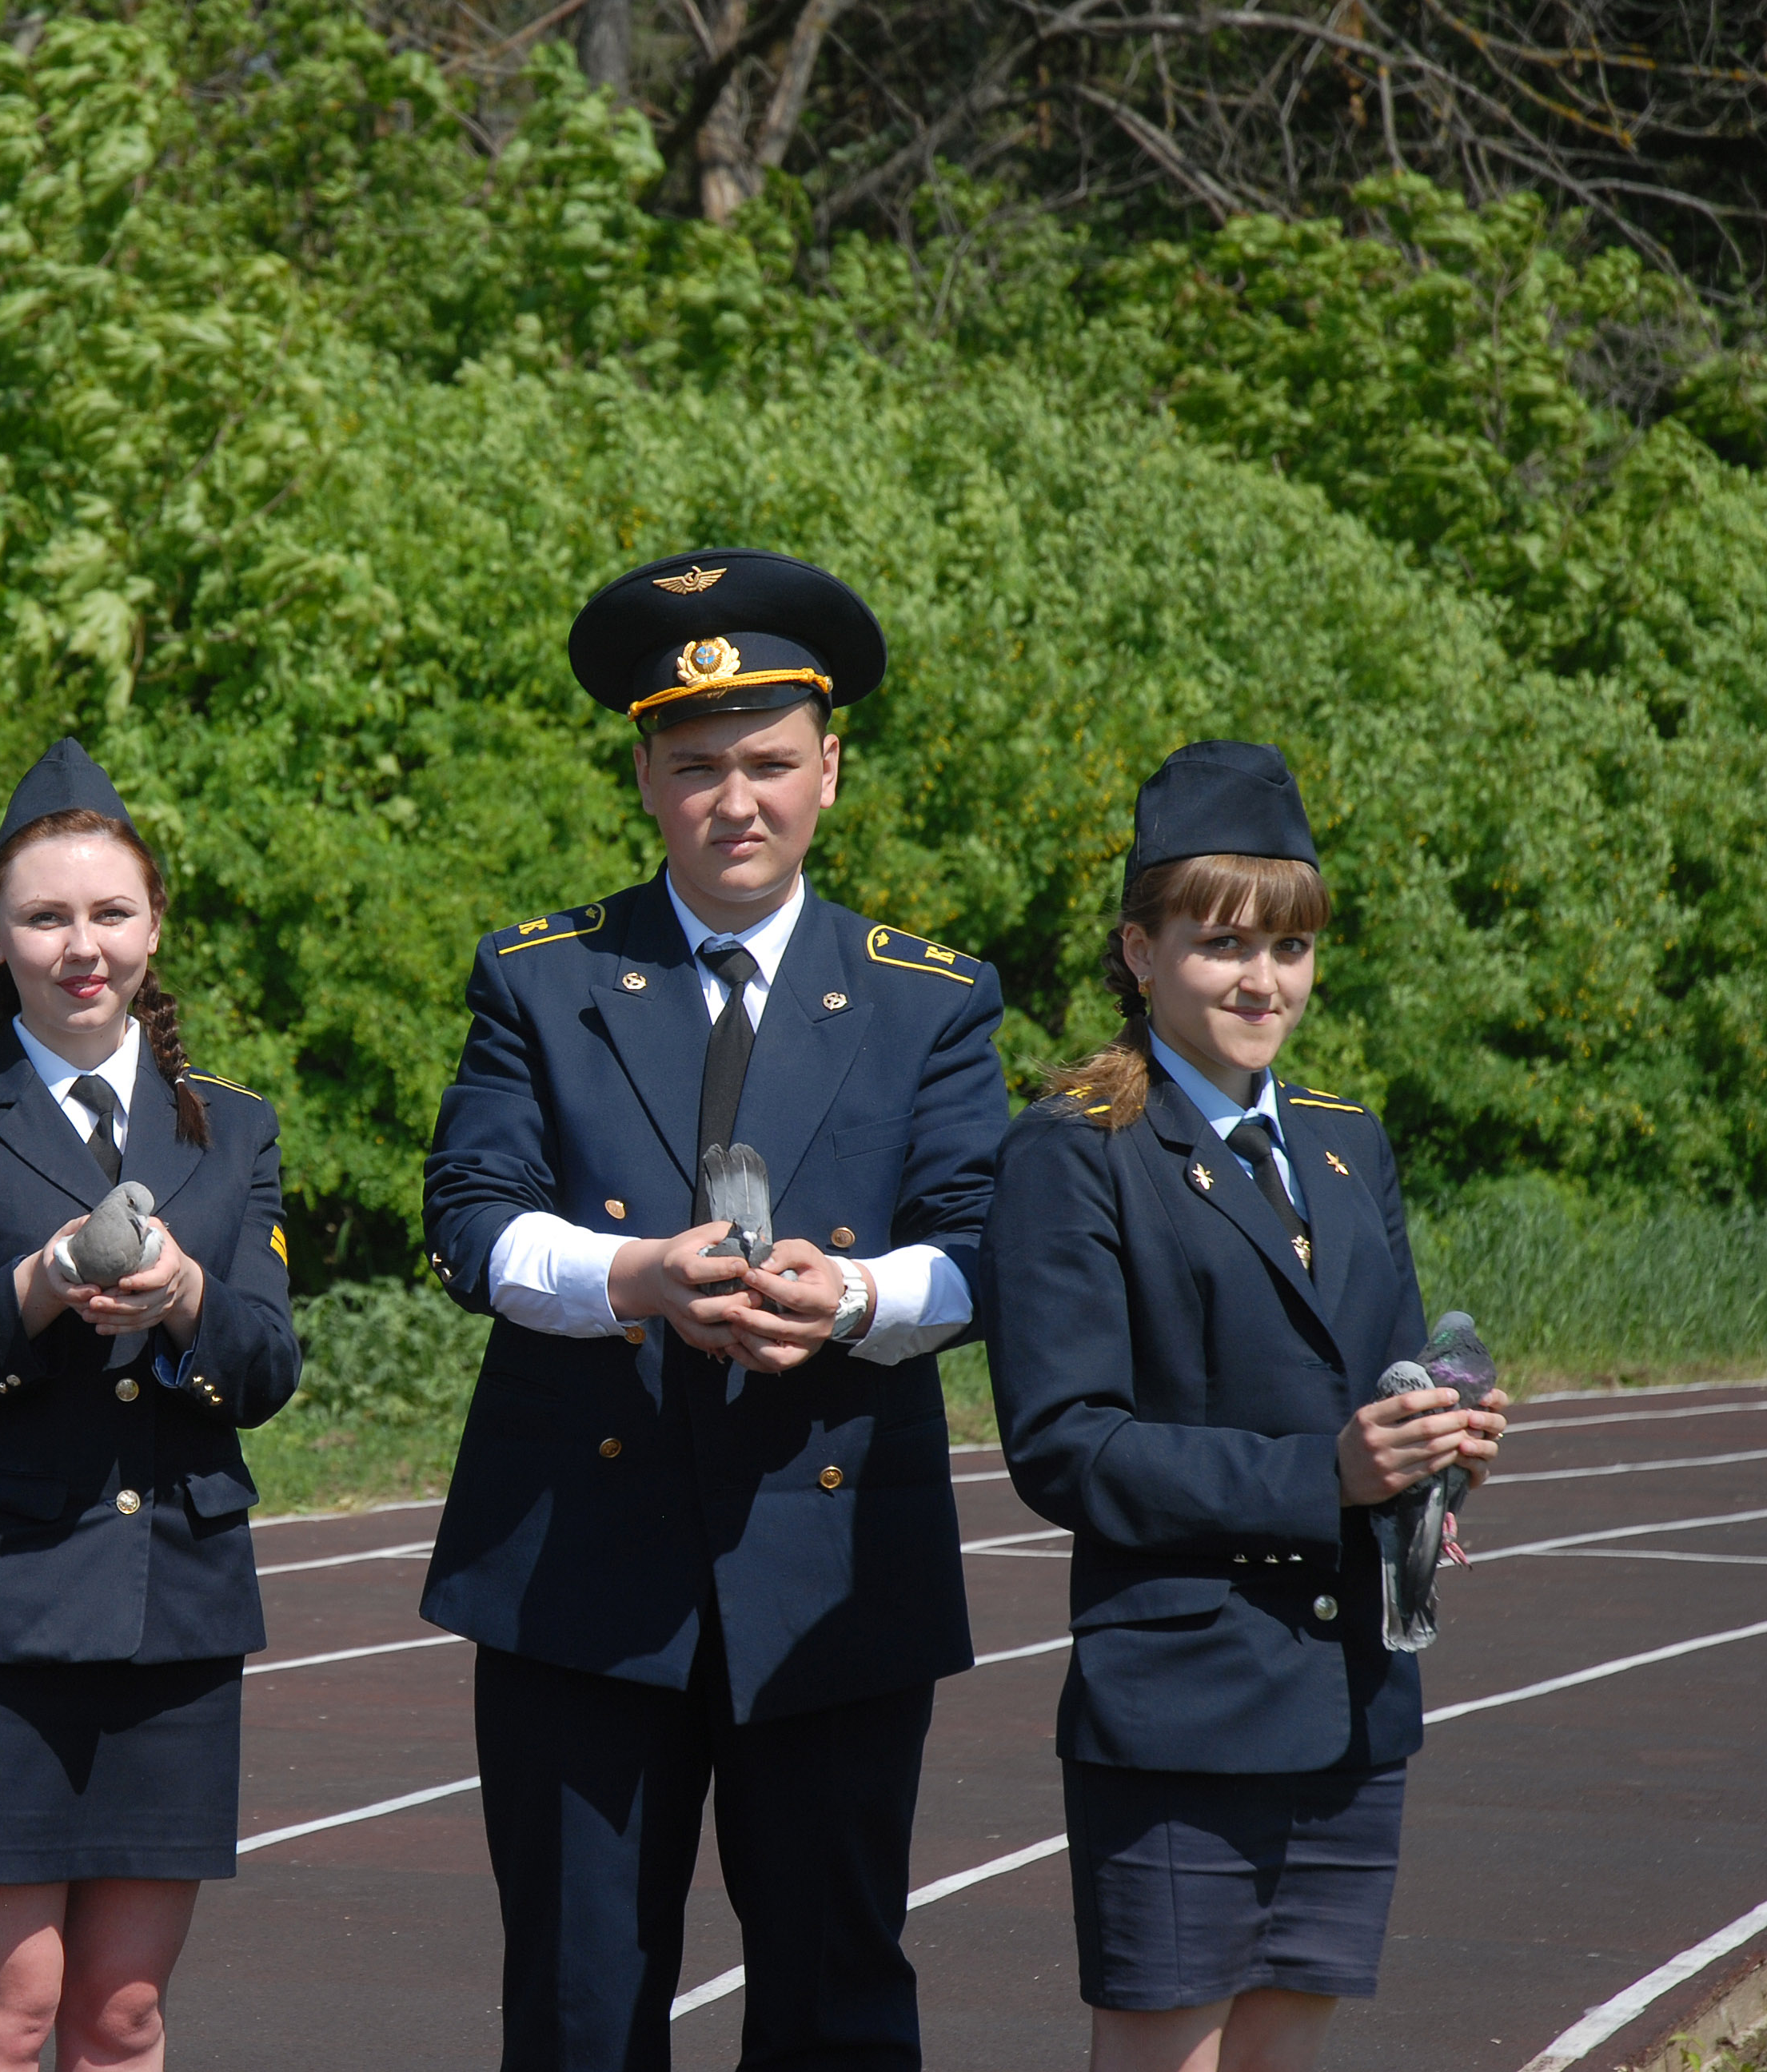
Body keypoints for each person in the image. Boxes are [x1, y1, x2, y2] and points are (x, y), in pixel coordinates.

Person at [417, 550, 1014, 2071]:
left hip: (830, 1571)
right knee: (578, 2007)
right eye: (696, 768)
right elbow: (469, 1220)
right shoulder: (541, 979)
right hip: (576, 1575)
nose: (734, 801)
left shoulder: (930, 998)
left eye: (767, 763)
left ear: (830, 770)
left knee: (836, 2002)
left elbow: (985, 1249)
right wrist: (631, 1279)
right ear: (645, 779)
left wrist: (854, 1297)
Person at [983, 741, 1508, 2072]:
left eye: (1291, 946)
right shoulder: (1073, 1150)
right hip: (1184, 1701)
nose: (1263, 980)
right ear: (1140, 951)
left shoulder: (1348, 1140)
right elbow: (1065, 1446)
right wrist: (1325, 1475)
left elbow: (1385, 1378)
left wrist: (1440, 1447)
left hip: (1350, 1697)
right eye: (1222, 943)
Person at [0, 739, 301, 2072]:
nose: (82, 948)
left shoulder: (233, 1124)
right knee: (11, 2011)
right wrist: (36, 1287)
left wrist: (187, 1299)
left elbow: (268, 1369)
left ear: (155, 926)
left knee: (122, 2015)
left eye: (111, 913)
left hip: (177, 1608)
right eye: (46, 918)